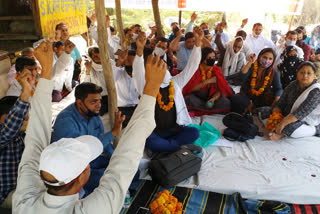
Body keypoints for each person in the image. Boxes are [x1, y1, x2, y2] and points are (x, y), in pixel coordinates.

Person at [12, 40, 167, 214]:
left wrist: (46, 72)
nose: (98, 105)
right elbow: (126, 159)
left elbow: (35, 141)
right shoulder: (94, 208)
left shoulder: (24, 200)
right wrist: (153, 88)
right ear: (82, 178)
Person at [133, 27, 203, 153]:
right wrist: (139, 50)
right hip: (154, 131)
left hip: (174, 130)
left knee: (194, 132)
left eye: (162, 65)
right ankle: (178, 147)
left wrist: (198, 44)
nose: (160, 67)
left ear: (168, 67)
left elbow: (192, 67)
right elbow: (137, 72)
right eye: (156, 65)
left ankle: (167, 147)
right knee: (148, 139)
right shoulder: (147, 86)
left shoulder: (175, 83)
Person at [51, 81, 125, 197]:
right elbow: (81, 152)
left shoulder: (92, 114)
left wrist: (115, 159)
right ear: (79, 103)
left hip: (92, 160)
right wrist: (113, 133)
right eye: (94, 101)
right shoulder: (66, 122)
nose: (99, 105)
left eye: (100, 101)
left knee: (125, 168)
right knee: (106, 179)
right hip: (74, 170)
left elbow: (102, 142)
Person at [0, 70, 35, 208]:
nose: (27, 118)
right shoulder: (4, 135)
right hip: (6, 193)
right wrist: (26, 90)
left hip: (22, 185)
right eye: (23, 115)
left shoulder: (21, 135)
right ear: (4, 118)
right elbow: (10, 129)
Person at [269, 61, 320, 141]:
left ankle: (283, 133)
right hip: (288, 116)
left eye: (309, 73)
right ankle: (281, 128)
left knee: (291, 127)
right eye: (302, 72)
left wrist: (282, 123)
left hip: (306, 121)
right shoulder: (293, 84)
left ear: (314, 75)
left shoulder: (316, 90)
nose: (305, 75)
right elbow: (281, 102)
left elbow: (301, 113)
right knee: (264, 111)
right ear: (297, 74)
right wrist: (276, 116)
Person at [183, 47, 232, 116]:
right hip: (197, 96)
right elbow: (190, 88)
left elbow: (220, 89)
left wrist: (213, 99)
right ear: (203, 59)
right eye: (209, 58)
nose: (212, 59)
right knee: (188, 99)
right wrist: (207, 81)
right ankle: (208, 110)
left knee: (226, 102)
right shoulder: (195, 69)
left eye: (214, 57)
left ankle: (200, 110)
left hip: (210, 97)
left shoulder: (216, 70)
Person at [82, 46, 108, 115]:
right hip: (97, 98)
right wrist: (88, 71)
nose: (99, 59)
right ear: (91, 58)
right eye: (96, 56)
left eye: (100, 56)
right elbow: (84, 87)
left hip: (110, 96)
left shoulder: (109, 65)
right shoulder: (89, 67)